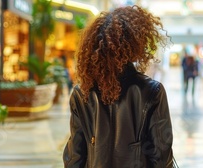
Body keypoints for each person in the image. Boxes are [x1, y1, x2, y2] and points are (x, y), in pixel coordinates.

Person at [63, 6, 174, 168]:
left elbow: (75, 156)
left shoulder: (82, 93)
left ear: (93, 46)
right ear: (135, 45)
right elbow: (162, 157)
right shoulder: (151, 91)